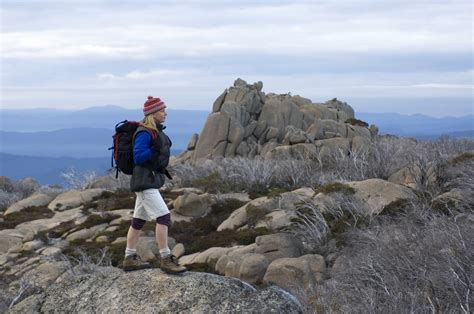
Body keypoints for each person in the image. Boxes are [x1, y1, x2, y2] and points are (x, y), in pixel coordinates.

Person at [122, 96, 186, 274]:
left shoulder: (153, 131)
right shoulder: (144, 132)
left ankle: (129, 258)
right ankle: (166, 258)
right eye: (162, 110)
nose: (165, 113)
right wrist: (154, 149)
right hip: (144, 183)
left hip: (148, 181)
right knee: (164, 217)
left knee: (138, 221)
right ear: (152, 113)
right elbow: (139, 157)